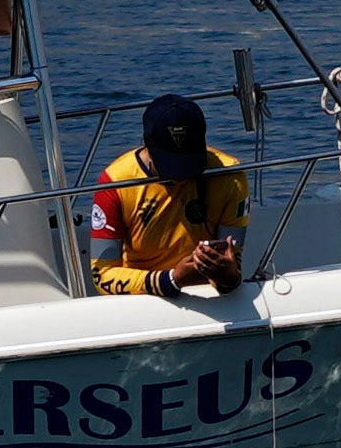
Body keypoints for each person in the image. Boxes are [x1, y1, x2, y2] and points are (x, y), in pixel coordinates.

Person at [89, 96, 249, 299]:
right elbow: (102, 275)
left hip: (208, 295)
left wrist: (227, 276)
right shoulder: (115, 183)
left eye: (188, 163)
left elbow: (233, 265)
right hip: (141, 298)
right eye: (169, 163)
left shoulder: (231, 176)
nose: (180, 176)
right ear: (147, 145)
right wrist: (172, 280)